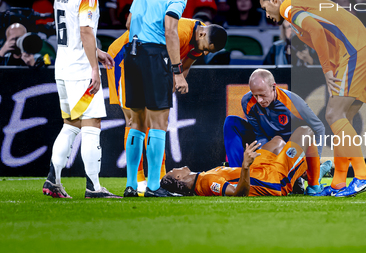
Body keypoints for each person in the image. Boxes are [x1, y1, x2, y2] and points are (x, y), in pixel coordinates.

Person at [260, 0, 366, 197]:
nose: (266, 14)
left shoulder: (288, 5)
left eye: (265, 8)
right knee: (344, 118)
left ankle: (363, 176)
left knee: (334, 114)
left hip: (356, 53)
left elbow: (315, 30)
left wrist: (326, 69)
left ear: (274, 0)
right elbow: (327, 33)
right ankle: (338, 183)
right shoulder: (302, 3)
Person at [107, 17, 227, 193]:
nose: (205, 53)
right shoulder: (179, 32)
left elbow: (183, 68)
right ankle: (137, 180)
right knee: (134, 120)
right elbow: (157, 62)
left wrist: (167, 91)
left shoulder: (198, 41)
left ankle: (159, 178)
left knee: (156, 122)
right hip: (124, 58)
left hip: (150, 65)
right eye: (207, 49)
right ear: (202, 33)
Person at [123, 0, 208, 197]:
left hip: (132, 53)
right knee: (158, 124)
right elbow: (170, 30)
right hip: (154, 54)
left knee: (136, 124)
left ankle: (131, 185)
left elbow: (129, 21)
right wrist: (177, 72)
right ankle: (152, 186)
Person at [42, 0, 121, 199]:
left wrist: (97, 53)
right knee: (92, 124)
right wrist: (94, 70)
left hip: (63, 67)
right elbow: (86, 31)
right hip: (80, 71)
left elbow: (72, 32)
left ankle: (52, 181)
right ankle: (94, 187)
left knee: (71, 125)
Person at [223, 69, 328, 195]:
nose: (259, 100)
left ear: (273, 87)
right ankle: (238, 176)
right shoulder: (247, 101)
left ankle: (312, 175)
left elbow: (319, 128)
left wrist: (313, 165)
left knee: (303, 133)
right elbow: (259, 134)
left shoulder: (294, 103)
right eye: (255, 95)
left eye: (262, 95)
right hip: (267, 144)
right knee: (231, 122)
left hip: (290, 148)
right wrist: (262, 160)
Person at [162, 126, 321, 197]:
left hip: (259, 171)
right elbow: (239, 194)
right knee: (304, 132)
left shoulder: (200, 180)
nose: (176, 167)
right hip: (272, 180)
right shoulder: (208, 182)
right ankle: (313, 186)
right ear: (178, 178)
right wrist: (245, 166)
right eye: (173, 170)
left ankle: (299, 177)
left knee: (277, 141)